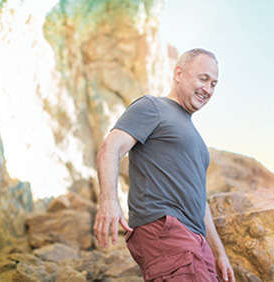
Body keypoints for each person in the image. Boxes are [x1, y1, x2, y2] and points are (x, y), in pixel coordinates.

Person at [94, 48, 235, 282]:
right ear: (179, 73)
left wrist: (219, 253)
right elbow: (110, 148)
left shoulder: (197, 139)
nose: (208, 89)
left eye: (213, 84)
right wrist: (109, 201)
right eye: (203, 79)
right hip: (166, 230)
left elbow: (200, 201)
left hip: (196, 242)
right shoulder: (152, 107)